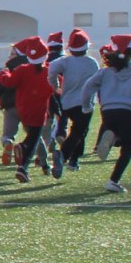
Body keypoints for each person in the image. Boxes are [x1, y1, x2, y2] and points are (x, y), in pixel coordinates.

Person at [66, 35, 131, 193]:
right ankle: (114, 180)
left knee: (116, 132)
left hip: (107, 111)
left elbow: (88, 87)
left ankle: (112, 135)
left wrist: (86, 106)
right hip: (128, 110)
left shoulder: (105, 72)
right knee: (128, 147)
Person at [0, 38, 62, 185]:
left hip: (23, 108)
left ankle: (23, 167)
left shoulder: (22, 70)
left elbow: (9, 82)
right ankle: (23, 163)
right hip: (39, 111)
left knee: (32, 138)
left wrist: (3, 75)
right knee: (33, 140)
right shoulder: (49, 72)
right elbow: (59, 89)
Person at [48, 29, 101, 171]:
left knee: (77, 131)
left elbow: (51, 69)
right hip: (86, 104)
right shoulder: (92, 62)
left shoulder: (65, 61)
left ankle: (73, 160)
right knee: (79, 132)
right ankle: (65, 156)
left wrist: (55, 85)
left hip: (67, 102)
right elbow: (98, 82)